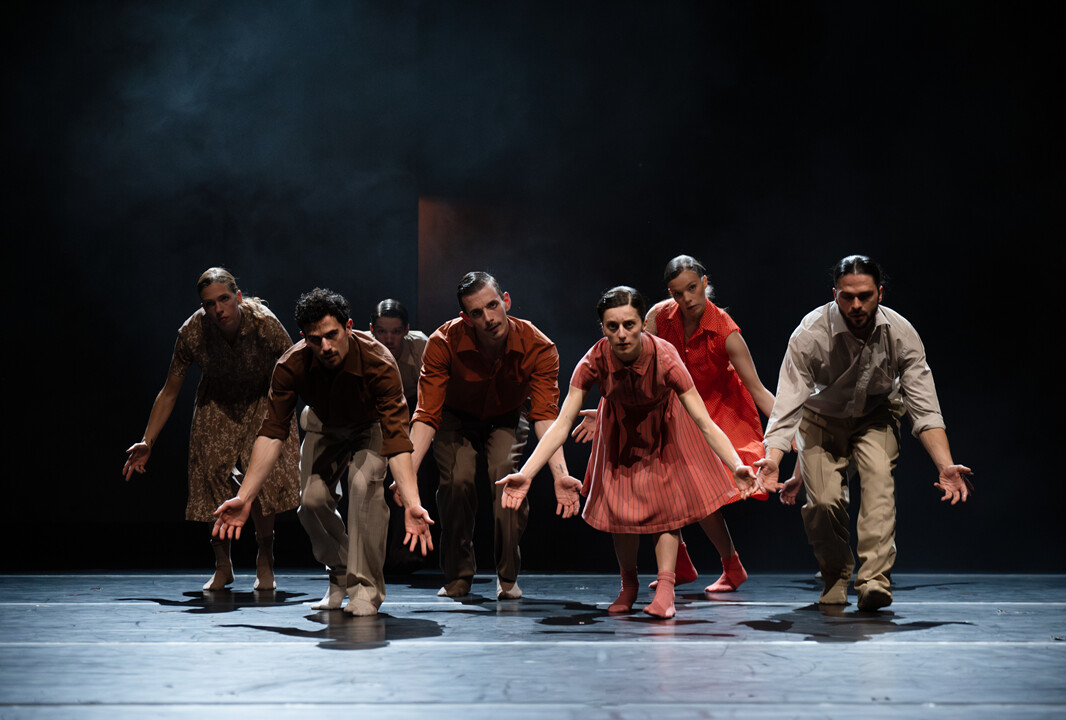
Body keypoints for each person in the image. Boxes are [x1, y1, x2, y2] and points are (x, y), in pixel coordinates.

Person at [498, 286, 762, 619]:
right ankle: (628, 585)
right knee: (620, 511)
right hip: (620, 430)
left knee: (668, 505)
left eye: (629, 325)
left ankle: (666, 588)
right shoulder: (593, 361)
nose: (622, 334)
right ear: (603, 328)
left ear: (642, 324)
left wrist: (736, 464)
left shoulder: (665, 358)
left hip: (666, 426)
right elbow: (562, 423)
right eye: (613, 327)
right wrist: (526, 473)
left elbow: (704, 421)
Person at [758, 255, 973, 611]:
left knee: (878, 485)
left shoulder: (901, 333)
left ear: (880, 294)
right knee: (823, 503)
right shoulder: (810, 334)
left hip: (877, 415)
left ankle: (874, 581)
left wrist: (944, 465)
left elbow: (924, 407)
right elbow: (787, 403)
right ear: (835, 295)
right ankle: (836, 574)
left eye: (865, 296)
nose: (856, 305)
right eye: (847, 296)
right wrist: (773, 458)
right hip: (820, 419)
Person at [212, 288, 434, 616]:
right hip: (324, 425)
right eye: (316, 340)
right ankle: (341, 571)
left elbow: (398, 440)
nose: (326, 347)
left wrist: (412, 503)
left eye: (332, 335)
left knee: (363, 487)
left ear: (349, 327)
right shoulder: (291, 364)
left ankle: (366, 589)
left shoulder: (378, 360)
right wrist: (245, 497)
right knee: (312, 503)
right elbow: (272, 434)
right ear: (304, 338)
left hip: (370, 426)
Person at [123, 267, 300, 592]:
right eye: (209, 303)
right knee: (211, 474)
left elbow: (296, 366)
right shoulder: (193, 332)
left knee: (261, 478)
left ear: (238, 297)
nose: (218, 309)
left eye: (224, 299)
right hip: (217, 400)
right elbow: (169, 391)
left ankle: (265, 557)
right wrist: (148, 440)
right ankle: (222, 565)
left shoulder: (264, 323)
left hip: (261, 397)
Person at [408, 272, 582, 600]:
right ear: (466, 318)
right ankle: (458, 575)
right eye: (477, 313)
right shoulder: (443, 342)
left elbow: (546, 416)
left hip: (507, 416)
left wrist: (560, 474)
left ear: (506, 301)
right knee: (456, 482)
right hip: (455, 418)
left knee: (507, 477)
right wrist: (408, 475)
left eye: (492, 306)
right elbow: (426, 414)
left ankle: (508, 574)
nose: (488, 318)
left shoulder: (538, 346)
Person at [644, 254, 776, 593]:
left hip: (719, 412)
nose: (687, 299)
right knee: (659, 486)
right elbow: (640, 367)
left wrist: (787, 429)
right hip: (675, 411)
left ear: (705, 282)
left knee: (701, 494)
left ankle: (730, 566)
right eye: (678, 293)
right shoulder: (658, 318)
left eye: (692, 288)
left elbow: (758, 389)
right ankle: (682, 565)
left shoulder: (725, 331)